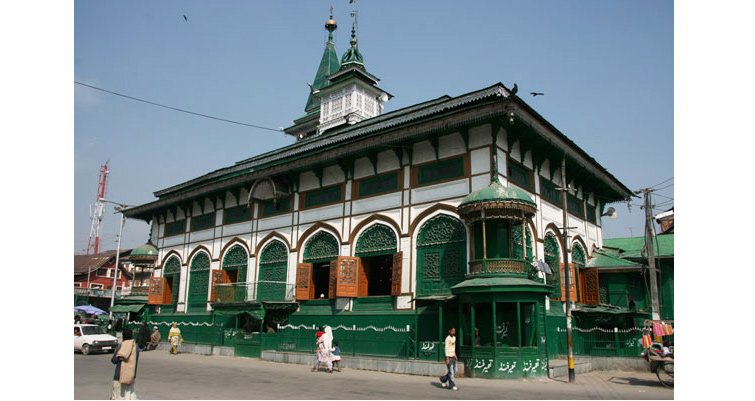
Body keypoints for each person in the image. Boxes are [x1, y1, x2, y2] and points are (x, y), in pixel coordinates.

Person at [110, 328, 139, 400]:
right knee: (129, 396)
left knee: (117, 396)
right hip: (131, 375)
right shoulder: (135, 347)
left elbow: (114, 360)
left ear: (123, 336)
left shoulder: (121, 346)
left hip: (119, 375)